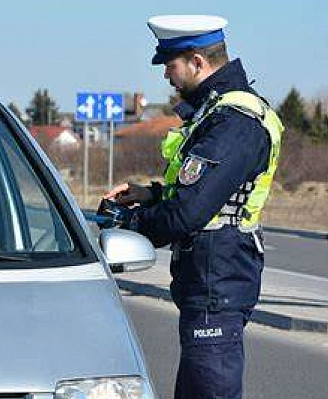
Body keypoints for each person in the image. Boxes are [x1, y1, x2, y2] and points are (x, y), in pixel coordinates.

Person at [102, 15, 284, 399]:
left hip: (218, 278)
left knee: (209, 389)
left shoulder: (234, 121)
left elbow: (189, 212)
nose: (167, 75)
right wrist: (149, 195)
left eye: (171, 64)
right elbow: (202, 190)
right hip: (210, 276)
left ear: (198, 62)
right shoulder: (215, 112)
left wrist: (129, 225)